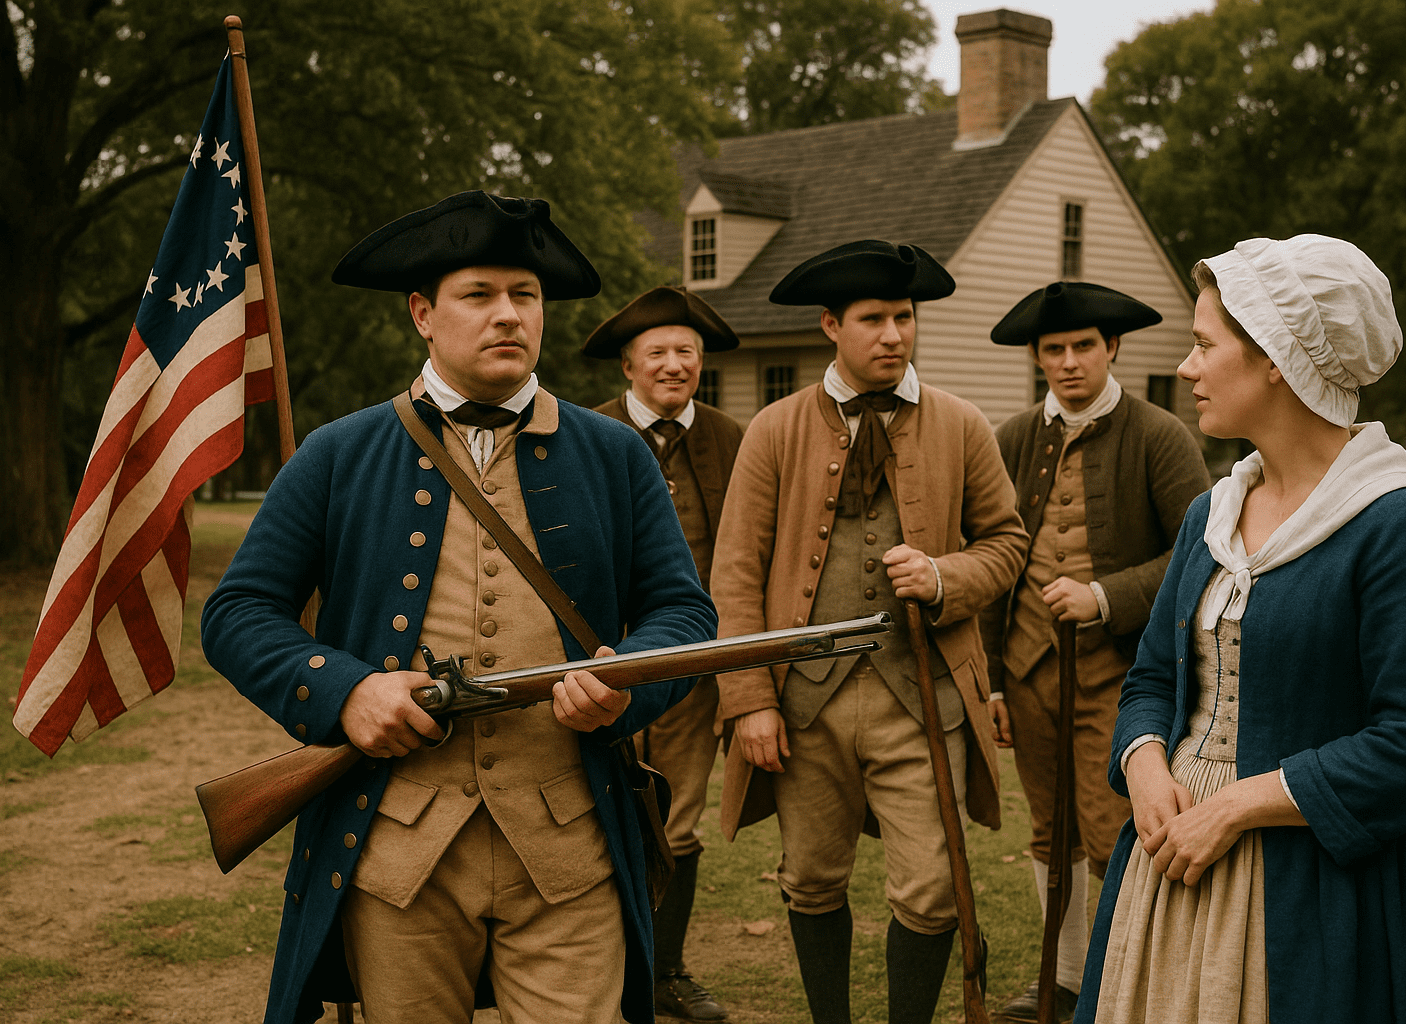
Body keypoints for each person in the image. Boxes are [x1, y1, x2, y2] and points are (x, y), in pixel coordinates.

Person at [200, 191, 717, 1024]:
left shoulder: (613, 451)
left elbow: (683, 614)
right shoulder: (341, 452)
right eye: (479, 295)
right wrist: (346, 690)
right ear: (423, 314)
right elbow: (238, 612)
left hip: (570, 844)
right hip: (397, 849)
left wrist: (628, 685)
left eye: (526, 295)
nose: (508, 315)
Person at [1076, 234, 1406, 1024]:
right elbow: (1155, 678)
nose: (1188, 368)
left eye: (1203, 345)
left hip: (1332, 893)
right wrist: (1143, 763)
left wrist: (1236, 807)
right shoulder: (1214, 510)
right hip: (1173, 872)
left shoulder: (1404, 522)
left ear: (1276, 356)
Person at [710, 240, 1030, 1024]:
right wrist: (750, 698)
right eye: (874, 319)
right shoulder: (775, 430)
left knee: (929, 891)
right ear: (830, 325)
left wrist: (947, 578)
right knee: (812, 878)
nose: (894, 334)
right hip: (802, 707)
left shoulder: (961, 423)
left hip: (921, 704)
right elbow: (735, 573)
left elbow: (1008, 543)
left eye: (904, 316)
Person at [979, 282, 1210, 1022]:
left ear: (1112, 348)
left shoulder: (1159, 434)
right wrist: (989, 681)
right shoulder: (1013, 436)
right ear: (1037, 358)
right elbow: (990, 555)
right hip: (1023, 669)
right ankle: (1066, 975)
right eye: (1054, 350)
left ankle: (1124, 985)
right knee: (1049, 833)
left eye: (1084, 346)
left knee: (1115, 830)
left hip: (1116, 673)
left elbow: (1198, 548)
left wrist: (1106, 596)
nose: (1069, 361)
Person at [586, 286, 745, 1022]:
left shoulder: (733, 437)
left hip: (690, 667)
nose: (674, 365)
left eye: (686, 352)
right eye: (658, 353)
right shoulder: (586, 433)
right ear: (629, 364)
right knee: (589, 813)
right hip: (595, 661)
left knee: (675, 819)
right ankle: (602, 964)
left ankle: (665, 971)